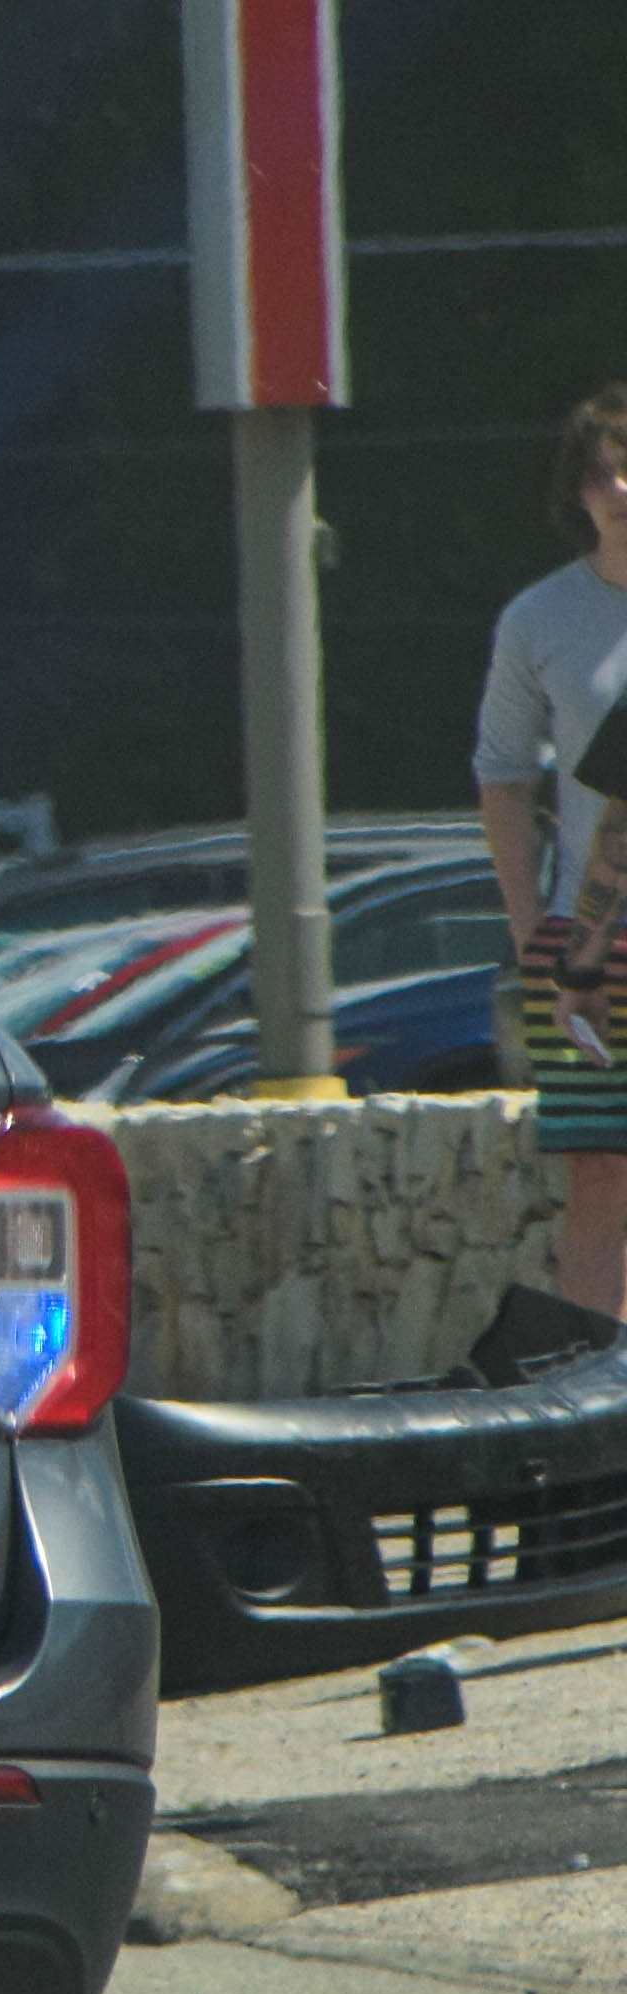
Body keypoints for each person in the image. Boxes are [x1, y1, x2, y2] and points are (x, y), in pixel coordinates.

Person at [480, 385, 627, 1315]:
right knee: (600, 1175)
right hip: (588, 938)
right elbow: (502, 774)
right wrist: (535, 927)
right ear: (577, 492)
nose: (620, 486)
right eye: (601, 470)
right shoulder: (540, 620)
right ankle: (599, 1394)